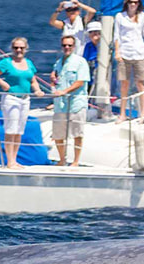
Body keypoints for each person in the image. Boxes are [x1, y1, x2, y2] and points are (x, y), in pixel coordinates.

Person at [0, 37, 45, 169]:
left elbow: (32, 80)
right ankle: (9, 161)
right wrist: (4, 84)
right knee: (11, 129)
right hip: (11, 98)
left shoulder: (29, 63)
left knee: (19, 131)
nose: (19, 50)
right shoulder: (6, 62)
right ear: (12, 49)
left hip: (25, 99)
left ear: (26, 49)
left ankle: (14, 160)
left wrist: (37, 90)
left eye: (21, 48)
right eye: (16, 48)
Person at [114, 0, 144, 123]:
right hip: (125, 53)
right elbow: (117, 35)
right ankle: (122, 114)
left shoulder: (143, 16)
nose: (133, 4)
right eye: (131, 2)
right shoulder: (120, 17)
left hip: (139, 53)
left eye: (135, 2)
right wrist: (117, 52)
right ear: (127, 3)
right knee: (124, 84)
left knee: (141, 84)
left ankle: (142, 114)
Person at [50, 35, 91, 167]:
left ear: (74, 47)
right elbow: (56, 80)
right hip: (60, 104)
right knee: (58, 134)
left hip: (76, 103)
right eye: (64, 45)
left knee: (77, 133)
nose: (67, 48)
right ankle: (62, 159)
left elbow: (81, 81)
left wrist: (65, 91)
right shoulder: (58, 63)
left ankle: (76, 161)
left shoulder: (80, 62)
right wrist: (54, 84)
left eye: (69, 45)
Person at [83, 21, 102, 95]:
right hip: (91, 77)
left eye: (97, 31)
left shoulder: (106, 46)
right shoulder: (88, 46)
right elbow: (85, 61)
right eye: (91, 32)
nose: (94, 34)